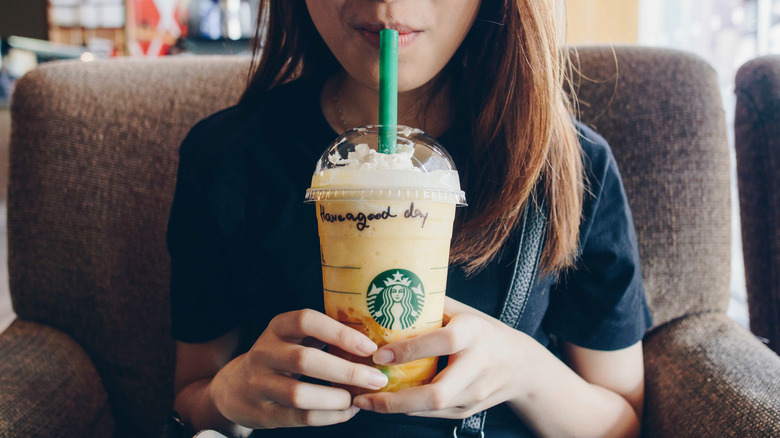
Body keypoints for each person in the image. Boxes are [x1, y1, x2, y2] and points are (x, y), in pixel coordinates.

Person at [167, 1, 652, 437]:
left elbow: (621, 423)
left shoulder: (569, 166)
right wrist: (226, 398)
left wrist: (526, 372)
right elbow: (191, 401)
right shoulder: (225, 156)